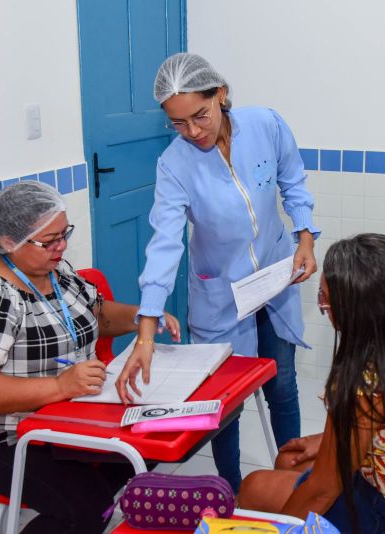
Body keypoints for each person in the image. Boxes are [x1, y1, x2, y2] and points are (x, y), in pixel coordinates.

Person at [115, 52, 320, 493]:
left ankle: (297, 482)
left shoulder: (266, 124)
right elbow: (165, 245)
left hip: (276, 280)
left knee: (282, 385)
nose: (193, 131)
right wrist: (146, 332)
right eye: (178, 123)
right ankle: (230, 488)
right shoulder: (174, 164)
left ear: (221, 94)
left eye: (200, 115)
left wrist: (305, 238)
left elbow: (293, 180)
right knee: (222, 402)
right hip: (221, 295)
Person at [0, 181, 180, 534]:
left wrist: (140, 317)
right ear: (9, 241)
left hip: (62, 421)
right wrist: (60, 386)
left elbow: (96, 315)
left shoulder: (53, 271)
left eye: (64, 233)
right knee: (84, 506)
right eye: (49, 240)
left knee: (151, 446)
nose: (62, 246)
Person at [239, 234, 385, 533]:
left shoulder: (366, 379)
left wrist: (275, 531)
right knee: (289, 459)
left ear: (359, 312)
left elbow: (322, 490)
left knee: (253, 488)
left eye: (327, 302)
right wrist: (330, 438)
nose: (325, 309)